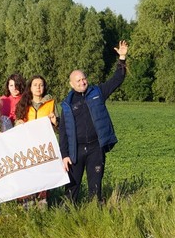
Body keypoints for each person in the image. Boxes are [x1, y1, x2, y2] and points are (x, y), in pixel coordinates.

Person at [59, 40, 129, 204]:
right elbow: (63, 133)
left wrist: (122, 58)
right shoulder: (67, 105)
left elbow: (117, 79)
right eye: (78, 80)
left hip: (95, 148)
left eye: (84, 78)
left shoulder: (97, 92)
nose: (82, 82)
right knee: (71, 188)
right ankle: (67, 217)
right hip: (76, 151)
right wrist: (64, 155)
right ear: (71, 84)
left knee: (95, 188)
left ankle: (95, 215)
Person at [13, 75, 60, 208]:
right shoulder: (24, 104)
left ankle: (42, 202)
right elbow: (17, 124)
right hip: (27, 146)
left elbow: (58, 127)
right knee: (27, 174)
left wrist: (55, 122)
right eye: (35, 85)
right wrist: (18, 123)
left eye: (41, 85)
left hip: (44, 147)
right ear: (30, 87)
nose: (38, 87)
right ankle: (27, 203)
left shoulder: (51, 103)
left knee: (43, 175)